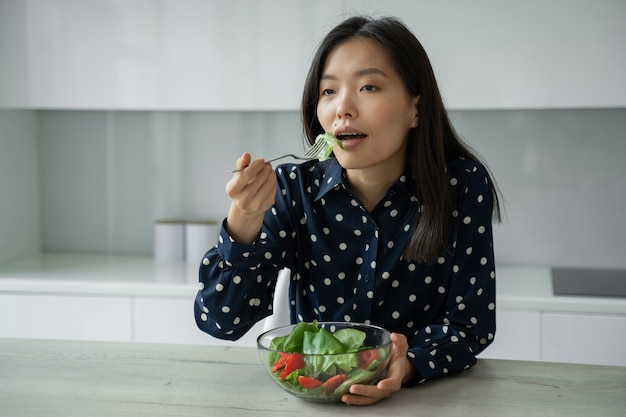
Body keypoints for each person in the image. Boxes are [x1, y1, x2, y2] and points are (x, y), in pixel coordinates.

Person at [195, 15, 501, 406]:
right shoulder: (293, 189)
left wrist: (406, 366)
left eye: (368, 87)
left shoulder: (460, 185)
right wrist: (245, 219)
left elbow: (469, 326)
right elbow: (221, 322)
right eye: (328, 92)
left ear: (416, 109)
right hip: (313, 400)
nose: (343, 108)